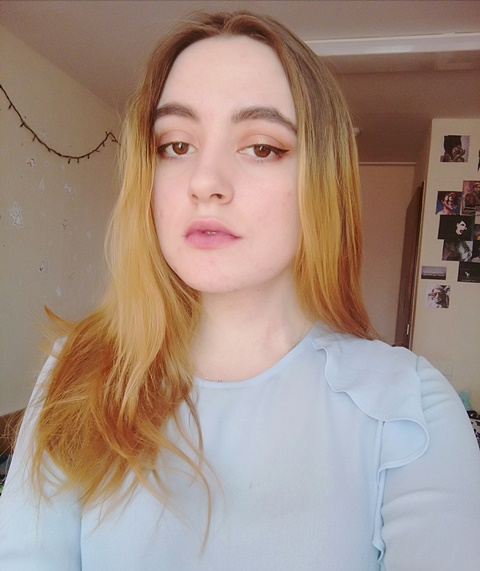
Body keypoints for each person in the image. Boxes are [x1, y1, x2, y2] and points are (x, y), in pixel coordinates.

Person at [1, 10, 479, 571]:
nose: (205, 182)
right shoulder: (78, 371)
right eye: (176, 145)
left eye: (262, 147)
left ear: (322, 182)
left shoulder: (409, 406)